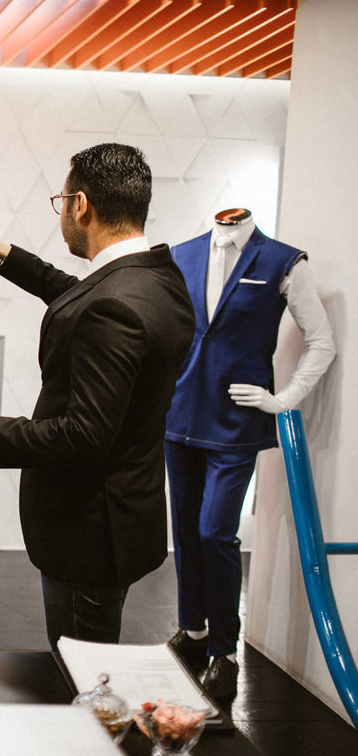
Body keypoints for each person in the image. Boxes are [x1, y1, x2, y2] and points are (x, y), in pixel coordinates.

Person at [0, 143, 195, 648]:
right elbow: (86, 296)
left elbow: (83, 436)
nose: (62, 213)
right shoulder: (158, 278)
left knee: (83, 676)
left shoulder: (113, 307)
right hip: (125, 514)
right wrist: (10, 255)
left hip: (89, 533)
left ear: (81, 205)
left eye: (61, 201)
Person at [164, 207, 335, 700]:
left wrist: (282, 400)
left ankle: (225, 650)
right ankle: (192, 631)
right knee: (185, 530)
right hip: (179, 416)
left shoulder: (283, 261)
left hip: (236, 421)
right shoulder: (182, 255)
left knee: (215, 531)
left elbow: (322, 342)